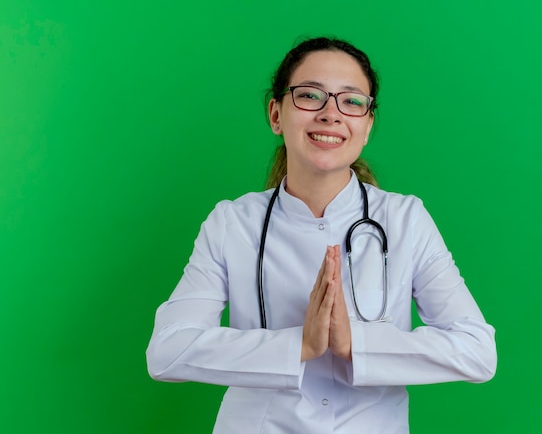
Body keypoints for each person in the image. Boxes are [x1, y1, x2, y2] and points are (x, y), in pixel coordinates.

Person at [146, 36, 497, 433]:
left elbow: (477, 351)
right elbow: (166, 352)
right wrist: (299, 346)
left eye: (350, 101)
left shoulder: (404, 219)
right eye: (310, 95)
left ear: (367, 126)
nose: (331, 114)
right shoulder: (232, 222)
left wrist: (356, 346)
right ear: (276, 115)